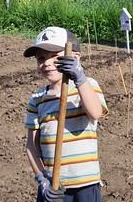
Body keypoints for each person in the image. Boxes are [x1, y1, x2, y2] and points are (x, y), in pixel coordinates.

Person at [23, 26, 108, 201]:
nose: (47, 62)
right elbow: (31, 146)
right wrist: (42, 180)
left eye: (55, 56)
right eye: (41, 58)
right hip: (54, 186)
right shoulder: (37, 99)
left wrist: (79, 77)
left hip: (85, 184)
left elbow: (95, 113)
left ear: (74, 57)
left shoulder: (87, 86)